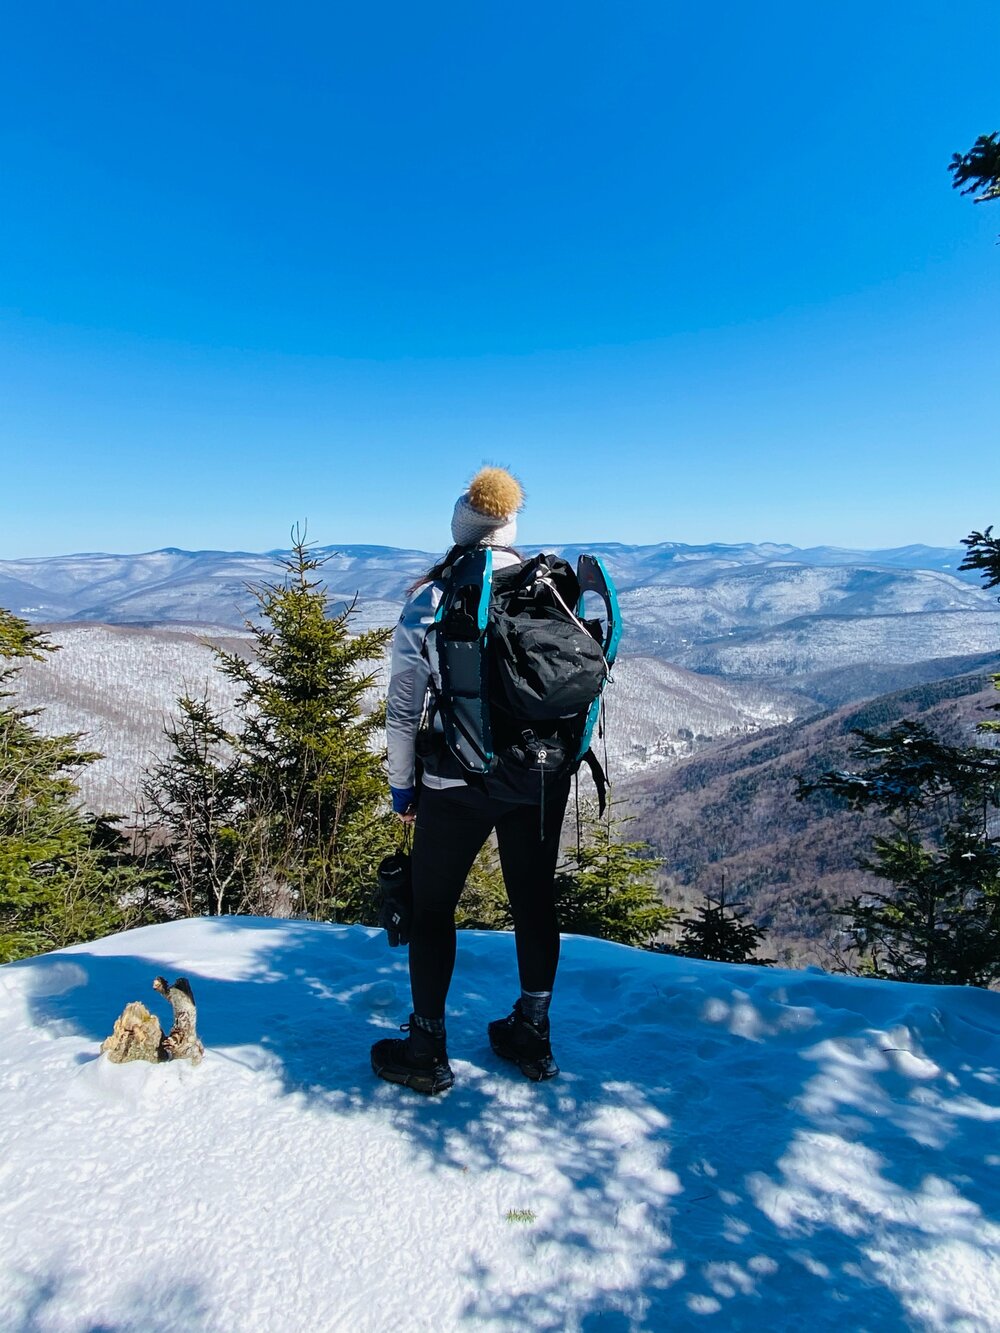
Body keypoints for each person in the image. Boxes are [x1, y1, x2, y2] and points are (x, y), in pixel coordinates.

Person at [370, 467, 572, 1095]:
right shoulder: (555, 589)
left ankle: (428, 1046)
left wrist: (403, 789)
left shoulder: (432, 598)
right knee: (534, 901)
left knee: (433, 910)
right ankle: (531, 1032)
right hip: (540, 775)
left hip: (455, 780)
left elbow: (403, 710)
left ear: (461, 529)